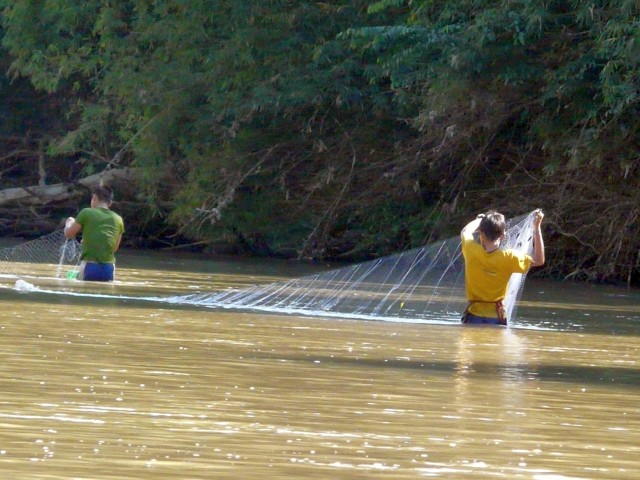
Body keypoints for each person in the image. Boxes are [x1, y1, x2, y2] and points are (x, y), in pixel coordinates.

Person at [460, 209, 544, 325]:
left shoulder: (471, 250)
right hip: (496, 318)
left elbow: (465, 231)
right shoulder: (509, 257)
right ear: (503, 235)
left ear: (481, 234)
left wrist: (479, 220)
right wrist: (537, 227)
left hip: (473, 316)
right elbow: (539, 260)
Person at [64, 184, 124, 281]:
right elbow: (113, 248)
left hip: (90, 266)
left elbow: (69, 234)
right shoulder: (118, 219)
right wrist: (89, 241)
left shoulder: (86, 212)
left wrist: (69, 222)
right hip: (109, 269)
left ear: (94, 198)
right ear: (110, 203)